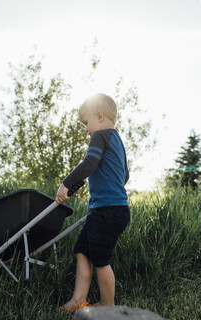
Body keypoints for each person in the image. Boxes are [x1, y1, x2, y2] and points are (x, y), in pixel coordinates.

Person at [56, 93, 130, 311]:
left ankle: (108, 305)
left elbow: (89, 163)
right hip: (108, 210)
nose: (86, 129)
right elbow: (125, 175)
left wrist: (66, 184)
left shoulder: (100, 136)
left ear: (99, 116)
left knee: (100, 259)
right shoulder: (117, 141)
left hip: (107, 211)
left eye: (86, 123)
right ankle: (78, 300)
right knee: (83, 251)